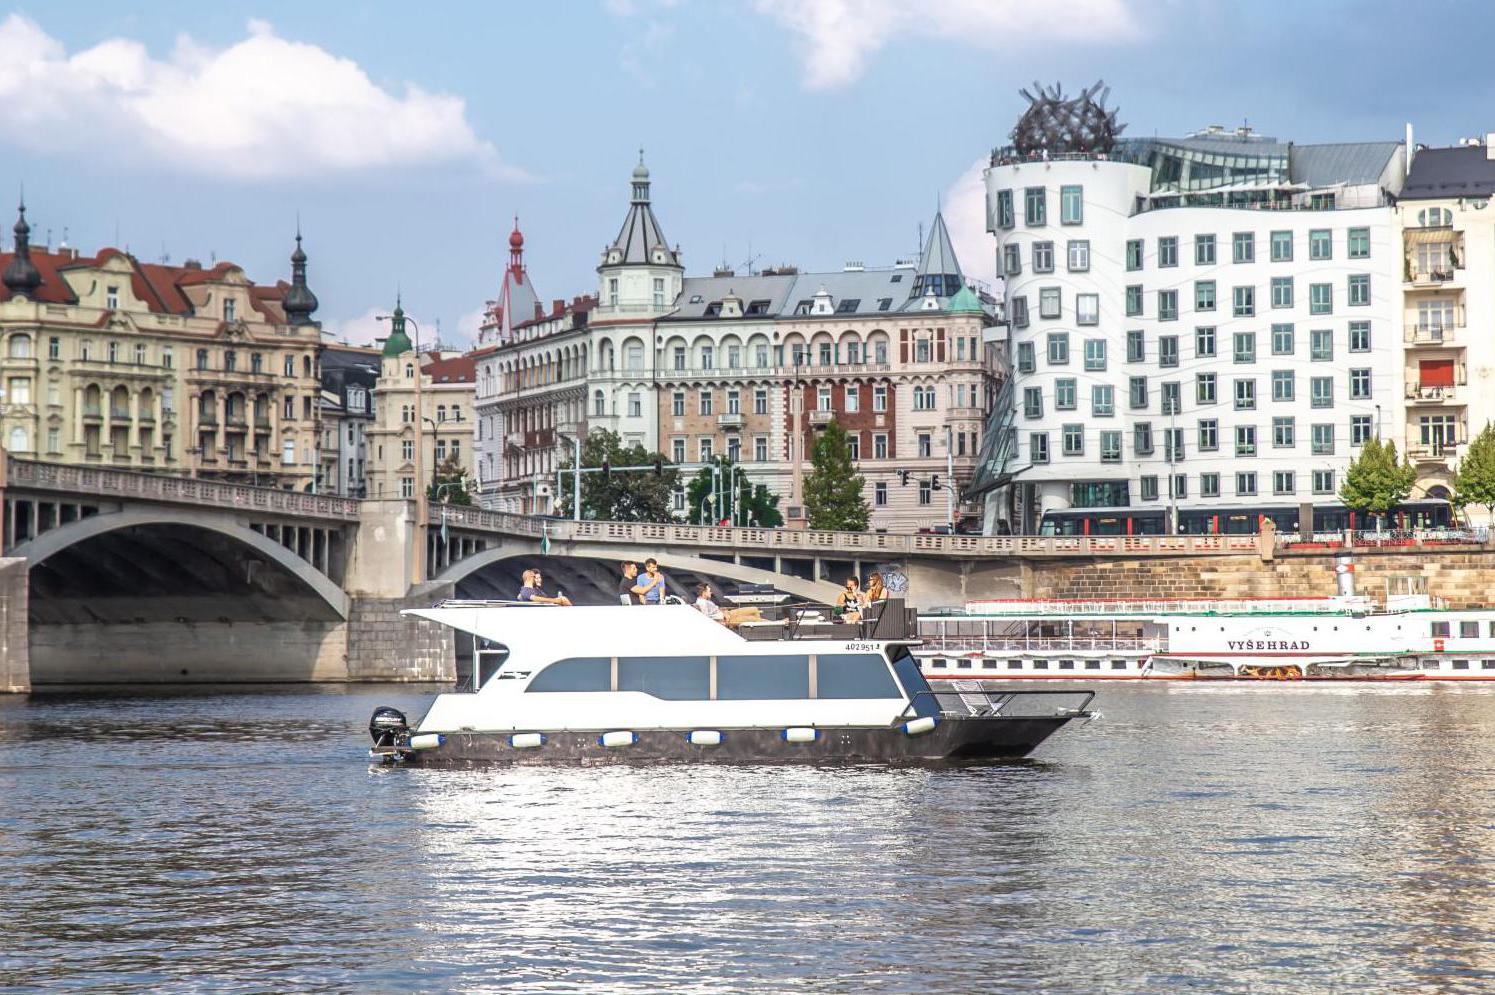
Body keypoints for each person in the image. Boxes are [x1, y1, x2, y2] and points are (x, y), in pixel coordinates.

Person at [694, 582, 762, 628]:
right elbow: (706, 619)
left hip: (727, 614)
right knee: (753, 619)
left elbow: (715, 611)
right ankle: (768, 627)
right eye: (709, 591)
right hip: (727, 619)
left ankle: (760, 628)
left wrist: (724, 611)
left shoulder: (705, 600)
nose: (711, 593)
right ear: (704, 592)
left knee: (754, 609)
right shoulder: (702, 603)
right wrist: (722, 621)